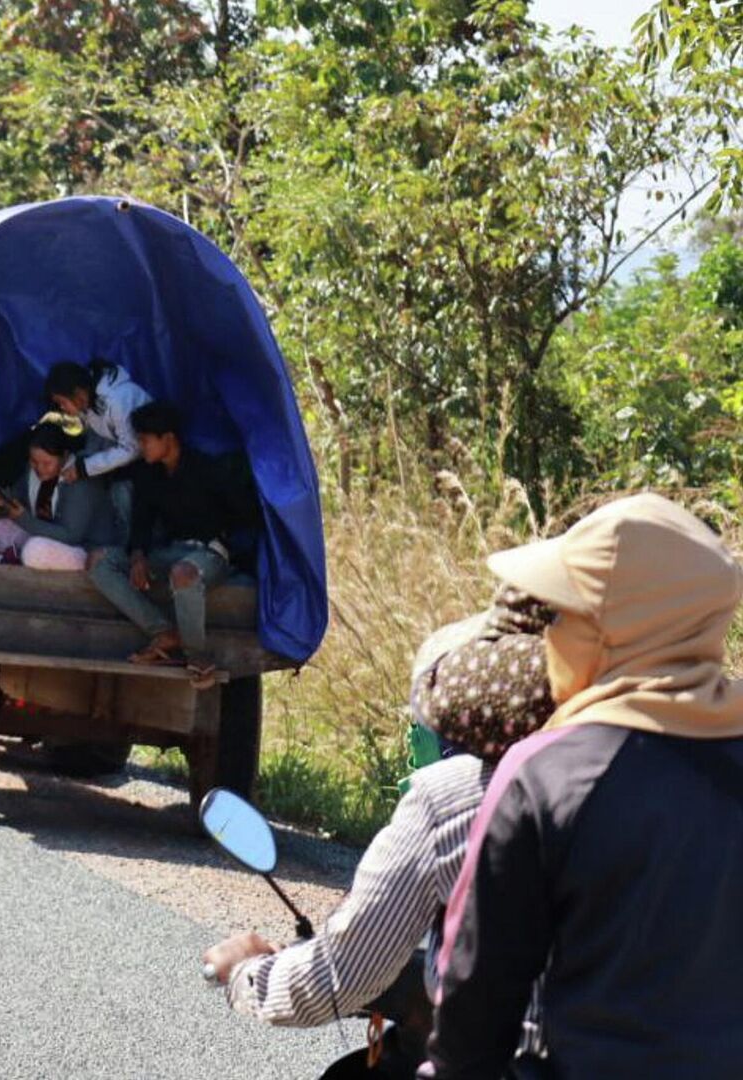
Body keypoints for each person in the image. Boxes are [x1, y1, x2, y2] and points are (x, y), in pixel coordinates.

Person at [427, 494, 743, 1079]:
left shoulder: (546, 776)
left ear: (611, 633)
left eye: (561, 617)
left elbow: (475, 1007)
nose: (549, 639)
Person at [204, 587, 555, 1043]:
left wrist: (245, 973)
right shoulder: (647, 788)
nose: (412, 748)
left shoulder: (452, 799)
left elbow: (337, 978)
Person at [88, 400, 259, 686]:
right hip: (170, 552)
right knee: (99, 562)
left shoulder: (207, 469)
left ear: (168, 439)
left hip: (209, 554)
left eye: (145, 440)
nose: (141, 447)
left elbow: (245, 515)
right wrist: (138, 555)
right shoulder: (149, 474)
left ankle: (197, 656)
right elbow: (141, 520)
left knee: (183, 573)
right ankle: (163, 632)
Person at [45, 358, 152, 542]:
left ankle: (133, 552)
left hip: (148, 462)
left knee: (123, 494)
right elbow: (97, 435)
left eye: (62, 402)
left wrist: (84, 468)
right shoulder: (90, 404)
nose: (62, 408)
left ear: (78, 394)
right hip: (127, 460)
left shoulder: (118, 400)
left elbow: (132, 448)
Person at [0, 415, 105, 571]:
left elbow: (71, 536)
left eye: (47, 463)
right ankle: (16, 560)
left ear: (65, 455)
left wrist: (23, 519)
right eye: (34, 462)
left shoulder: (80, 481)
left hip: (84, 550)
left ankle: (20, 560)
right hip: (42, 535)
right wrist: (5, 504)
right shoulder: (33, 472)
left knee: (35, 551)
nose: (39, 468)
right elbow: (19, 500)